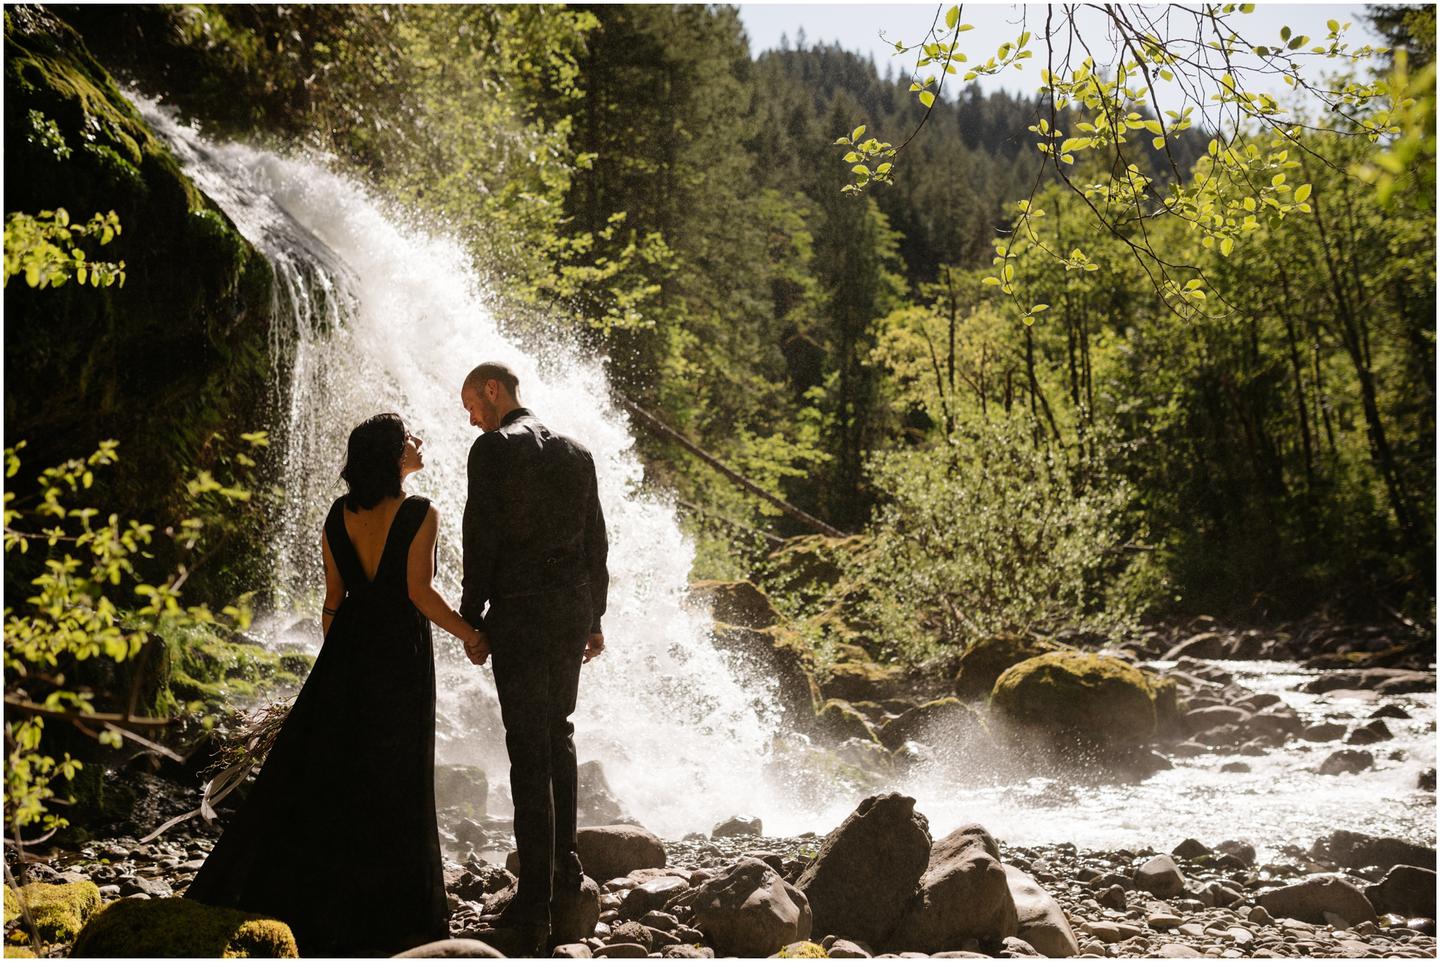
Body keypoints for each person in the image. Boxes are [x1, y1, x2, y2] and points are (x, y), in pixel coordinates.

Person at [185, 413, 479, 957]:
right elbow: (420, 592)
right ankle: (395, 913)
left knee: (334, 774)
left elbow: (332, 601)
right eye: (410, 437)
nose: (419, 442)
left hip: (346, 652)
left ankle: (313, 898)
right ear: (394, 455)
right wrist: (472, 637)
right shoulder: (421, 511)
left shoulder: (337, 514)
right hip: (399, 654)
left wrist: (339, 659)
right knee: (396, 774)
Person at [458, 361, 608, 954]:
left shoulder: (492, 449)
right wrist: (596, 617)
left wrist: (472, 616)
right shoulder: (577, 452)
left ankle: (533, 908)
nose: (470, 416)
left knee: (526, 747)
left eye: (471, 402)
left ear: (494, 391)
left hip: (520, 608)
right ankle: (565, 873)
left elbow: (481, 534)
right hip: (571, 609)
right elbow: (597, 540)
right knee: (558, 734)